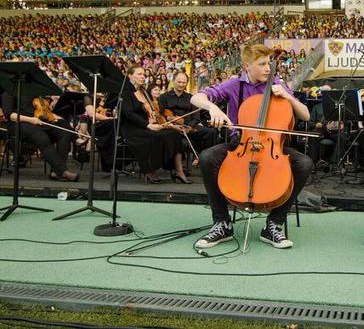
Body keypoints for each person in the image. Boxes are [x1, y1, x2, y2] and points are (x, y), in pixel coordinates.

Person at [191, 44, 313, 250]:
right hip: (242, 143)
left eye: (269, 64)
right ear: (248, 65)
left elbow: (306, 115)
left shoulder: (277, 84)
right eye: (262, 64)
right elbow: (197, 97)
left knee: (304, 163)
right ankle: (221, 222)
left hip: (273, 145)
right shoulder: (233, 85)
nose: (268, 68)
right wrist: (212, 107)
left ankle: (274, 223)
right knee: (207, 157)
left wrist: (288, 97)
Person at [120, 65, 190, 184]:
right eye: (139, 74)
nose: (143, 76)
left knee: (174, 134)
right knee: (157, 137)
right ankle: (150, 169)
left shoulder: (144, 92)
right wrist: (148, 125)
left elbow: (153, 114)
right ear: (130, 76)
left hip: (147, 125)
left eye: (144, 74)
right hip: (133, 129)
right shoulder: (126, 92)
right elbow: (129, 114)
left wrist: (168, 125)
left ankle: (179, 171)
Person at [1, 90, 79, 181]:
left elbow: (42, 110)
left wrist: (52, 116)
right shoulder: (10, 91)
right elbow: (9, 115)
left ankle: (55, 171)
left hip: (38, 122)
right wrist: (31, 120)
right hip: (19, 123)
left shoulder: (36, 91)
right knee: (42, 138)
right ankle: (62, 172)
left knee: (64, 133)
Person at [158, 72, 218, 165]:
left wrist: (189, 127)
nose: (181, 84)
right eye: (179, 82)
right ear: (173, 81)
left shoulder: (191, 98)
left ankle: (203, 157)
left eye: (184, 82)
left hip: (188, 125)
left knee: (211, 133)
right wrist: (169, 119)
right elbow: (160, 114)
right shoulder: (164, 97)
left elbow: (196, 117)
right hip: (172, 126)